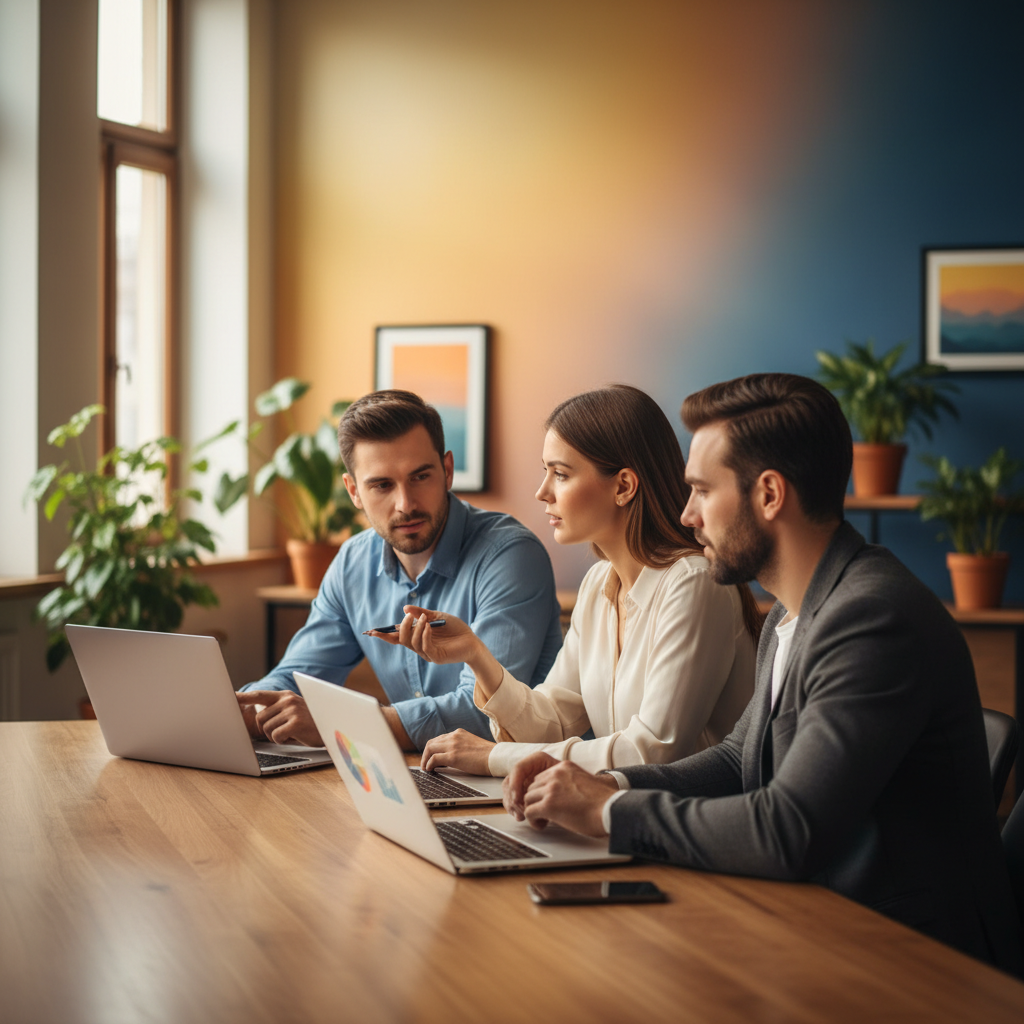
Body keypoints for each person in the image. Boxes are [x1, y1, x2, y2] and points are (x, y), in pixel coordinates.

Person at [500, 373, 1023, 975]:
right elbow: (734, 759)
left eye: (700, 490)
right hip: (821, 919)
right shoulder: (794, 610)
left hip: (912, 960)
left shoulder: (873, 619)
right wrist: (610, 785)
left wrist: (609, 814)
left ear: (769, 494)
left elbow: (788, 829)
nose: (687, 514)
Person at [369, 384, 759, 777]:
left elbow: (653, 751)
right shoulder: (598, 584)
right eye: (546, 472)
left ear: (623, 486)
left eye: (561, 474)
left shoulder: (694, 584)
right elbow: (552, 719)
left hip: (688, 825)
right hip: (622, 812)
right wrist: (475, 654)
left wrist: (492, 757)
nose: (542, 493)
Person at [237, 389, 563, 751]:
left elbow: (486, 715)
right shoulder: (352, 563)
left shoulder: (510, 555)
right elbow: (298, 674)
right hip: (420, 775)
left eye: (420, 477)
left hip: (526, 779)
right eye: (381, 485)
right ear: (354, 492)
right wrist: (247, 707)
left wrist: (341, 723)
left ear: (447, 470)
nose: (405, 504)